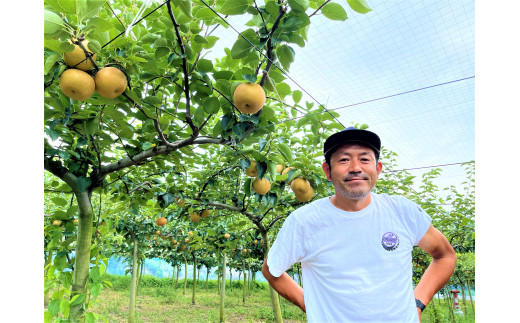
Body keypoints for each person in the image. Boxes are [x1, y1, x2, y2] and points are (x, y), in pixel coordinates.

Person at [262, 127, 457, 322]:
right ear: (327, 171)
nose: (356, 167)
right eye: (344, 160)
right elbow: (271, 270)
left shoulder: (402, 211)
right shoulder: (305, 221)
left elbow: (445, 255)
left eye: (364, 159)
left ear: (378, 169)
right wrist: (310, 305)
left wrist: (418, 304)